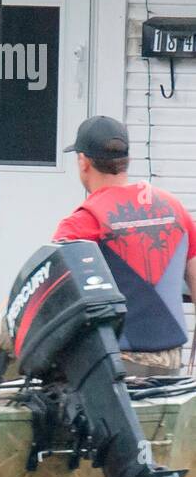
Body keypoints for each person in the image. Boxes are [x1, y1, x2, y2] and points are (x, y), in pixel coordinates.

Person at [49, 115, 196, 375]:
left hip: (113, 367)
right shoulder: (175, 209)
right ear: (126, 160)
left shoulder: (83, 222)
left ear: (83, 161)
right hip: (170, 363)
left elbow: (52, 296)